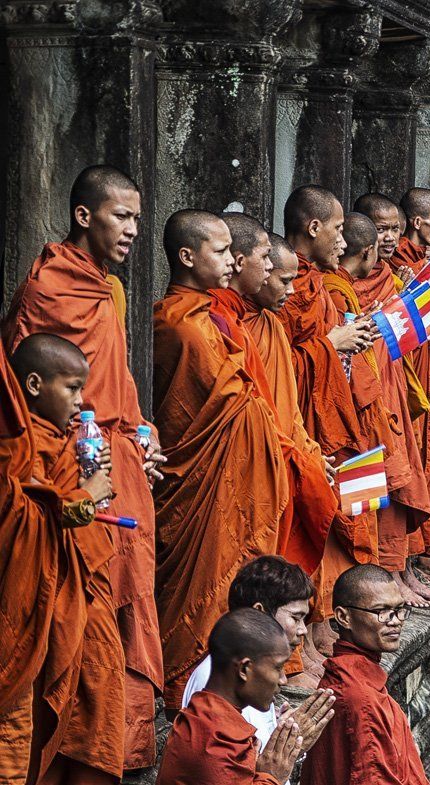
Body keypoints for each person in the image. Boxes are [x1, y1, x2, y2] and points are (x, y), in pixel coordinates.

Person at [2, 164, 164, 771]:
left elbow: (114, 378)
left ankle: (120, 745)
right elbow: (36, 391)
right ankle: (72, 754)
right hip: (69, 465)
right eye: (121, 216)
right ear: (83, 216)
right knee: (80, 611)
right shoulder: (48, 290)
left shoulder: (111, 290)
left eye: (137, 220)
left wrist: (141, 431)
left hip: (116, 458)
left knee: (125, 605)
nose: (131, 231)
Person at [152, 209, 296, 709]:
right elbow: (211, 402)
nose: (231, 263)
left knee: (229, 573)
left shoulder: (212, 318)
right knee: (192, 582)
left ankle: (221, 678)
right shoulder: (177, 321)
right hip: (197, 475)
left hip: (229, 470)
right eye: (220, 253)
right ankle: (180, 683)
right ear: (188, 257)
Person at [211, 211, 342, 684]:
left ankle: (292, 648)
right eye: (267, 264)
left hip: (280, 449)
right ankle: (266, 659)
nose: (272, 277)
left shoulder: (264, 323)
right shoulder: (208, 323)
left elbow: (277, 404)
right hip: (245, 462)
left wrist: (305, 448)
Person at [7, 335, 121, 784]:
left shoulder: (66, 441)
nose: (80, 401)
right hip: (42, 602)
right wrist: (83, 498)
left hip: (81, 590)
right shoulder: (19, 445)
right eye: (72, 388)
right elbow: (27, 516)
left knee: (93, 695)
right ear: (34, 384)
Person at [280, 185, 382, 655]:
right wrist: (330, 345)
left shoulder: (318, 283)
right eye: (338, 230)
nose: (343, 243)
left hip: (335, 415)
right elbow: (277, 366)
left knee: (347, 513)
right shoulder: (287, 286)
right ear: (314, 228)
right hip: (304, 425)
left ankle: (329, 623)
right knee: (313, 521)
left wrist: (340, 342)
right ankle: (312, 629)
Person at [349, 193, 430, 607]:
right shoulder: (342, 284)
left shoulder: (394, 278)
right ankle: (382, 578)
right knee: (377, 487)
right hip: (365, 401)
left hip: (396, 392)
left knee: (405, 478)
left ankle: (403, 570)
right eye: (379, 229)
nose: (388, 238)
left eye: (394, 230)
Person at [182, 556, 336, 751]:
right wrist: (288, 747)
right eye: (296, 618)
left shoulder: (256, 667)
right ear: (260, 612)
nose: (303, 630)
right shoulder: (215, 677)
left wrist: (280, 733)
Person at [299, 565, 430, 785]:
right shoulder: (361, 699)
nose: (396, 620)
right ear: (343, 617)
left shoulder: (356, 678)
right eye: (382, 612)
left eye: (399, 609)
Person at [157, 609, 306, 785]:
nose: (283, 680)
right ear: (244, 670)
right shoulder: (214, 742)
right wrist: (273, 777)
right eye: (278, 668)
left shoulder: (205, 714)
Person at [390, 189, 430, 588]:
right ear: (417, 223)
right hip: (405, 384)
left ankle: (423, 552)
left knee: (426, 461)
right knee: (408, 469)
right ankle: (403, 564)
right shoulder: (396, 267)